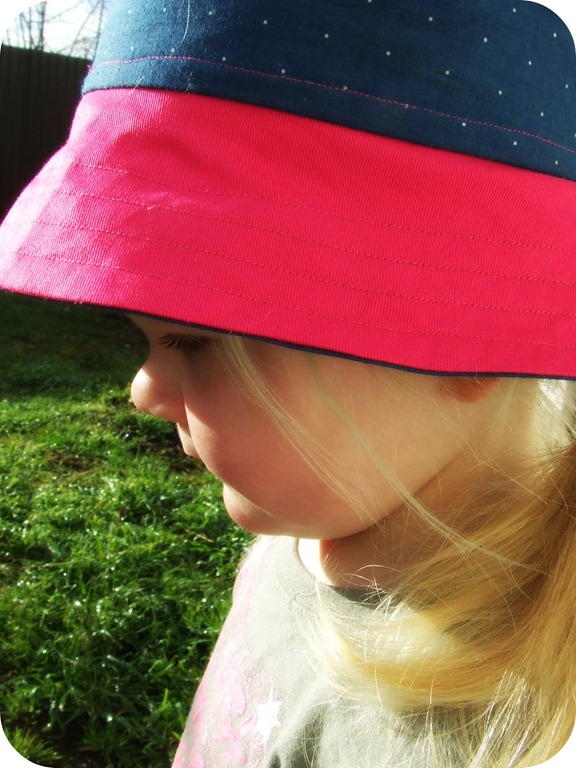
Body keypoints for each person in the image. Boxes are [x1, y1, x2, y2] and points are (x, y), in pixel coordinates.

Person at [0, 1, 575, 766]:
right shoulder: (322, 519)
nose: (142, 392)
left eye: (194, 341)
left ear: (471, 346)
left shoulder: (476, 734)